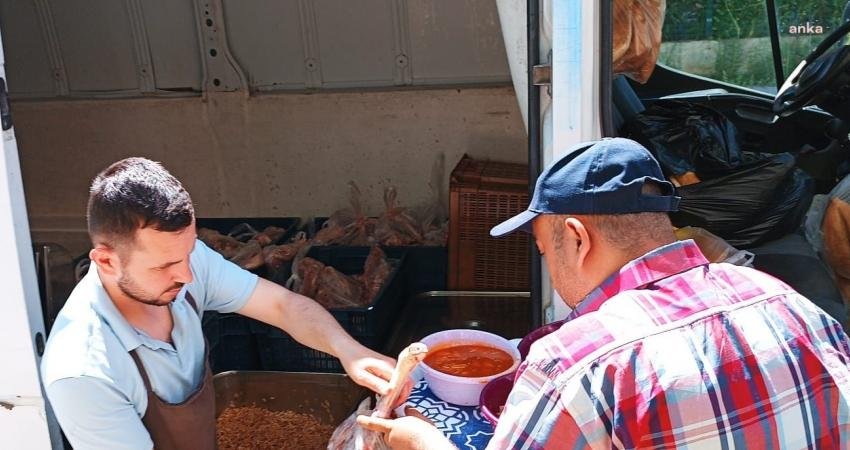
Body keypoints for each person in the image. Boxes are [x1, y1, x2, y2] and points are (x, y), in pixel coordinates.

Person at [358, 138, 850, 449]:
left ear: (576, 237)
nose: (550, 270)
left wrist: (424, 443)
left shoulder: (577, 363)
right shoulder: (783, 299)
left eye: (545, 252)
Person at [41, 157, 401, 450]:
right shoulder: (83, 372)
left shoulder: (185, 263)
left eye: (188, 252)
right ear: (106, 261)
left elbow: (283, 307)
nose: (187, 276)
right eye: (164, 266)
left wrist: (348, 350)